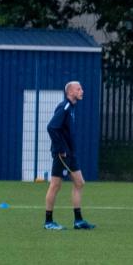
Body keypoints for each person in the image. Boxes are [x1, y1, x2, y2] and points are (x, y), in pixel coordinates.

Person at [44, 80, 94, 230]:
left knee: (79, 183)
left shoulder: (71, 107)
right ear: (70, 92)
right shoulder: (65, 107)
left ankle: (78, 221)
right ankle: (48, 222)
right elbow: (51, 127)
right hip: (63, 154)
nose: (82, 91)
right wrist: (61, 149)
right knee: (55, 185)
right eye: (79, 89)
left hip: (70, 154)